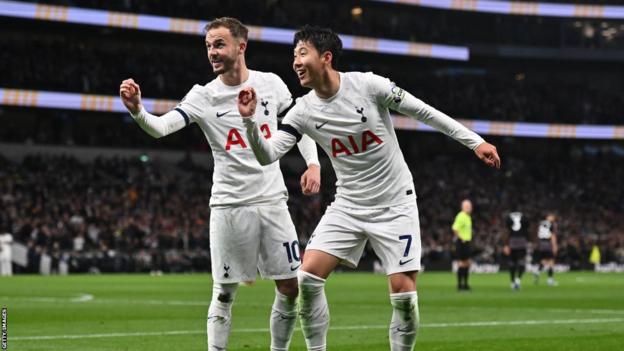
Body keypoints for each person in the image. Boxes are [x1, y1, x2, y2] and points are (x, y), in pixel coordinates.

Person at [236, 25, 500, 351]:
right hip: (348, 204)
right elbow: (268, 154)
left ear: (326, 57)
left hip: (395, 203)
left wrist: (475, 142)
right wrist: (249, 122)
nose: (296, 62)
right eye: (294, 56)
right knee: (307, 280)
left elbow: (424, 112)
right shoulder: (302, 110)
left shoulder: (368, 85)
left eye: (302, 53)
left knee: (403, 295)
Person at [119, 17, 321, 351]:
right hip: (229, 206)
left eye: (219, 44)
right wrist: (138, 111)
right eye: (209, 46)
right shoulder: (203, 96)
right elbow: (161, 128)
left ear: (241, 46)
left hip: (273, 202)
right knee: (225, 292)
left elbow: (299, 125)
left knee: (289, 287)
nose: (212, 52)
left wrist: (313, 163)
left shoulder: (271, 84)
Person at [503, 211, 529, 290]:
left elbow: (506, 231)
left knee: (512, 262)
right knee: (522, 262)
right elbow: (527, 230)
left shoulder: (508, 217)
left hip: (512, 241)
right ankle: (518, 280)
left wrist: (506, 244)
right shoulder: (524, 216)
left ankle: (512, 282)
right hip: (522, 241)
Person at [452, 199, 474, 291]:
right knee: (461, 264)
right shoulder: (461, 216)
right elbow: (454, 228)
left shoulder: (468, 217)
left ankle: (465, 284)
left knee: (467, 263)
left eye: (470, 206)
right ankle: (460, 285)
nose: (469, 208)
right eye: (467, 206)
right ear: (463, 207)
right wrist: (461, 239)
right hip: (462, 243)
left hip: (467, 242)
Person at [533, 214, 558, 286]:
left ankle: (537, 272)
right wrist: (554, 246)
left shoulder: (541, 224)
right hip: (548, 244)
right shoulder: (551, 224)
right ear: (548, 217)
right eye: (552, 216)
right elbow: (553, 235)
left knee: (543, 261)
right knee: (551, 261)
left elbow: (538, 234)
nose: (553, 218)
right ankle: (550, 280)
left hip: (541, 244)